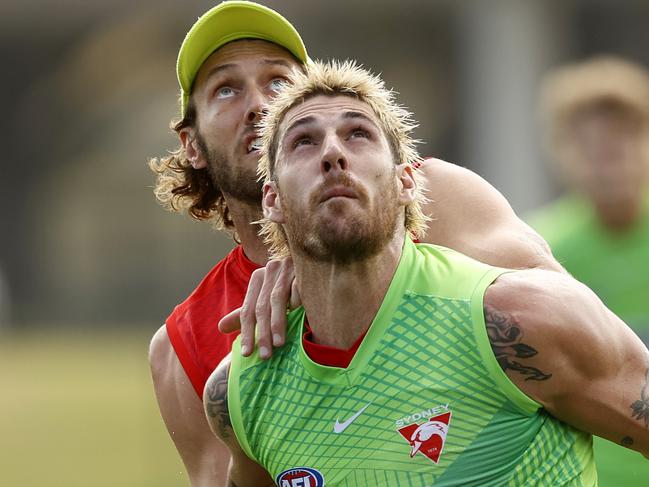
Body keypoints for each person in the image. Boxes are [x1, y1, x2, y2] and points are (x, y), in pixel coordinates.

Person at [148, 2, 563, 485]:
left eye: (278, 83)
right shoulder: (187, 342)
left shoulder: (434, 197)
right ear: (191, 145)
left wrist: (352, 273)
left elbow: (577, 336)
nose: (259, 104)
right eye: (226, 89)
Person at [204, 60, 649, 486]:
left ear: (407, 182)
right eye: (304, 141)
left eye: (358, 134)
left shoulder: (518, 318)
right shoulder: (244, 391)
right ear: (272, 200)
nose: (333, 153)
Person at [528, 56, 649, 486]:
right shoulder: (539, 249)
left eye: (619, 143)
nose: (606, 161)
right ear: (561, 151)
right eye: (590, 147)